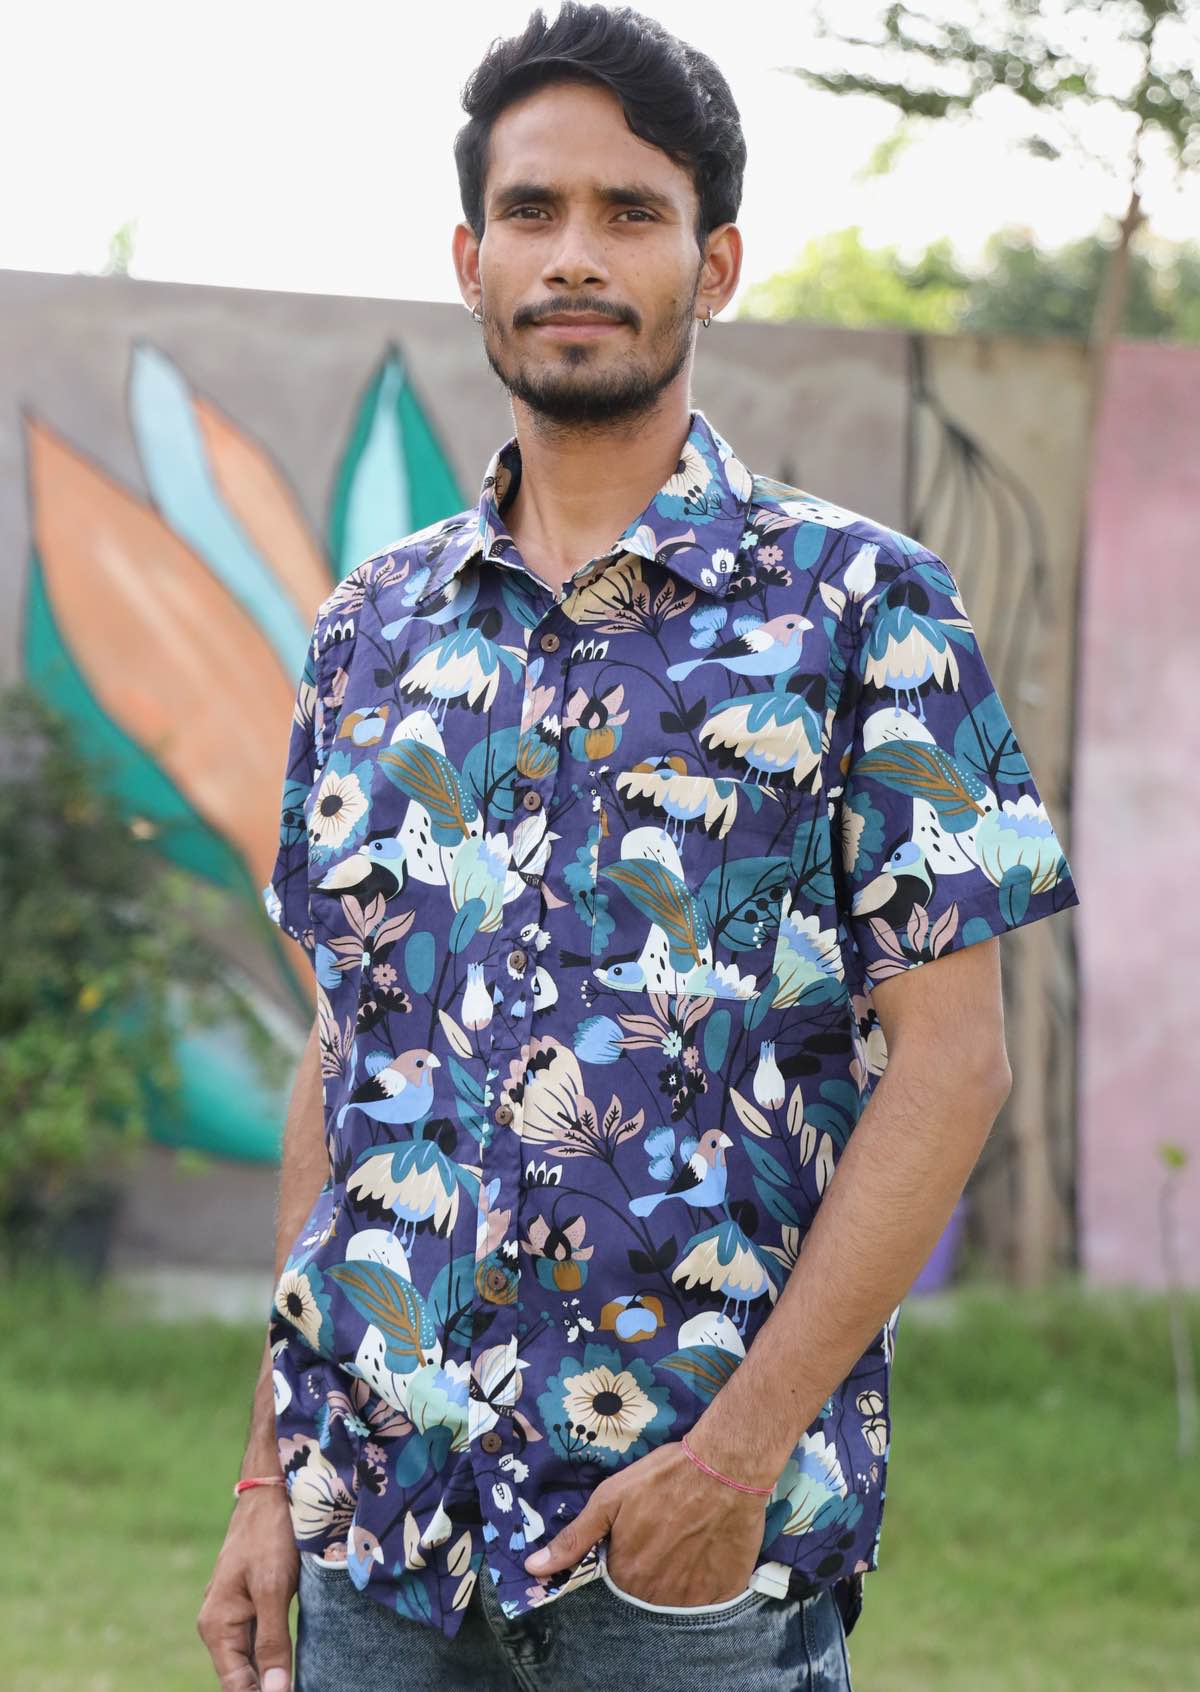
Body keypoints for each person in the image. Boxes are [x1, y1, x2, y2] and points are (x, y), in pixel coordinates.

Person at [197, 5, 1081, 1688]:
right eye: (532, 213)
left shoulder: (864, 609)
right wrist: (267, 1476)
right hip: (376, 1548)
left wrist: (733, 1465)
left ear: (717, 260)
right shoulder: (368, 631)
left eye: (630, 211)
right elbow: (348, 1053)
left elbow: (953, 1066)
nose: (575, 256)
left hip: (687, 1574)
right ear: (470, 260)